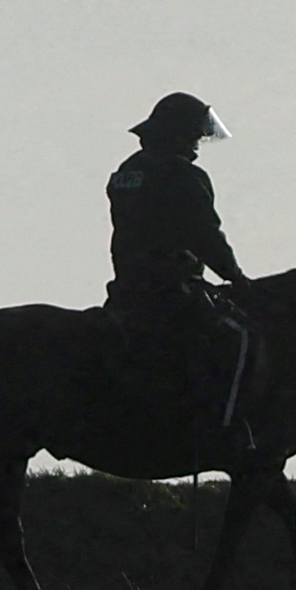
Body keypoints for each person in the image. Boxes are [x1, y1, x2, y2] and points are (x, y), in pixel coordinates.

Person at [106, 92, 256, 441]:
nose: (197, 145)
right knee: (237, 339)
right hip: (171, 287)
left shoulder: (128, 171)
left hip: (128, 285)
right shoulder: (183, 175)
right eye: (194, 136)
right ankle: (223, 427)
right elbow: (205, 234)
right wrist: (237, 278)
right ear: (176, 134)